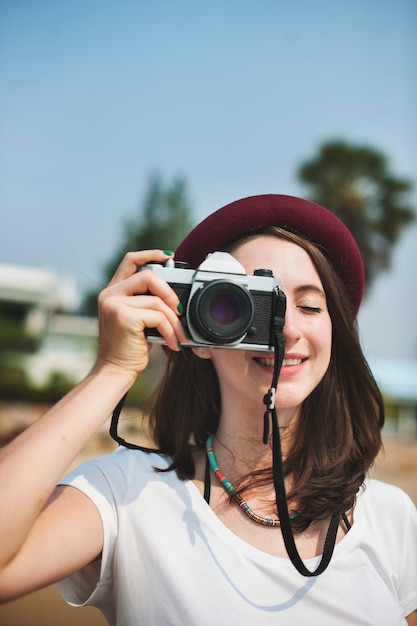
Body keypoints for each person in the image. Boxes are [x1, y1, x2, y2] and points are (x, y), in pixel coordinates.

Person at [0, 194, 416, 625]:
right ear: (199, 332)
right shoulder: (125, 494)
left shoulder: (389, 517)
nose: (286, 329)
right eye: (249, 304)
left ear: (335, 333)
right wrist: (111, 370)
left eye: (310, 306)